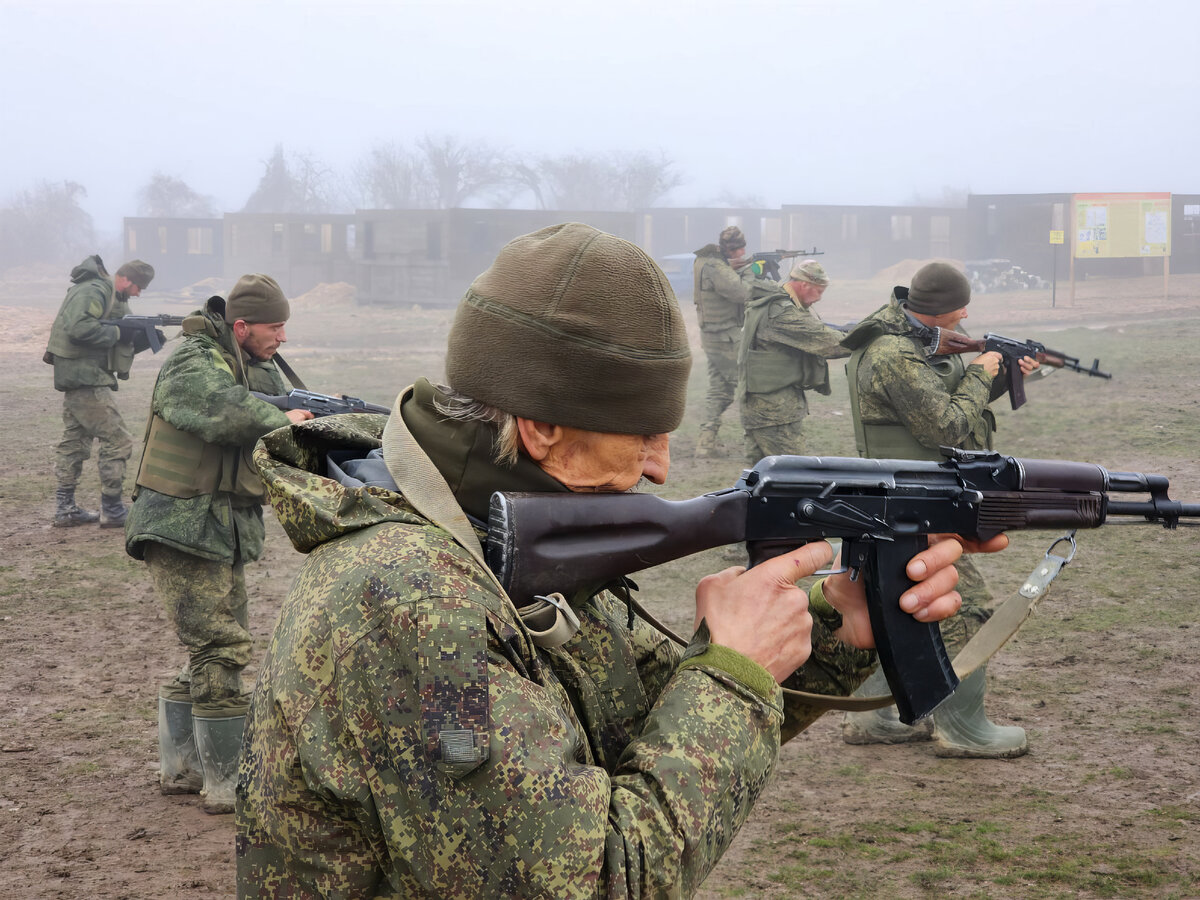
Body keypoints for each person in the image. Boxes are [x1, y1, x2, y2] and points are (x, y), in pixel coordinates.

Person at [234, 224, 1002, 898]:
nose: (660, 468)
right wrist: (734, 672)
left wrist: (834, 625)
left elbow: (635, 727)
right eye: (641, 433)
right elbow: (596, 876)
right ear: (539, 428)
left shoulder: (497, 538)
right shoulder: (411, 603)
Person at [124, 274, 313, 814]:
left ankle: (183, 770)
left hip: (213, 528)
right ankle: (227, 785)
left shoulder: (247, 363)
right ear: (241, 326)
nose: (282, 338)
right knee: (222, 648)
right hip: (180, 525)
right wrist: (281, 417)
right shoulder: (193, 361)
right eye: (275, 327)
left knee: (212, 646)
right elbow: (221, 407)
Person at [839, 261, 1037, 759]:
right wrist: (980, 372)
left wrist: (999, 376)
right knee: (967, 606)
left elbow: (933, 404)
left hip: (912, 490)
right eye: (960, 307)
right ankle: (965, 728)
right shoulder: (892, 354)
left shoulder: (909, 340)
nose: (967, 314)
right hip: (912, 496)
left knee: (890, 602)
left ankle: (873, 717)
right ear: (936, 309)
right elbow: (946, 426)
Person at [44, 255, 155, 527]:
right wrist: (119, 334)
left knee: (75, 440)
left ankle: (65, 508)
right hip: (86, 377)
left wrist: (140, 335)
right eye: (138, 287)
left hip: (78, 375)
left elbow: (113, 324)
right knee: (118, 440)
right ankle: (113, 510)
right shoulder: (97, 290)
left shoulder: (105, 294)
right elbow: (79, 327)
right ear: (126, 279)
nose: (138, 293)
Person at [739, 259, 849, 464]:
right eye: (819, 291)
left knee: (759, 481)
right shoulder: (781, 311)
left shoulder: (774, 301)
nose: (819, 298)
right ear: (804, 284)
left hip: (761, 408)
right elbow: (830, 343)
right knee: (792, 476)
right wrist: (868, 336)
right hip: (775, 414)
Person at [691, 225, 751, 458]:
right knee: (751, 386)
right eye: (740, 250)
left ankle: (705, 443)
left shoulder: (707, 261)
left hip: (714, 337)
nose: (742, 254)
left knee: (720, 391)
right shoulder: (715, 266)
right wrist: (750, 271)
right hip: (725, 337)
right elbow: (743, 293)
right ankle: (758, 441)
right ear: (734, 249)